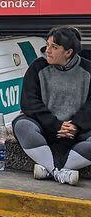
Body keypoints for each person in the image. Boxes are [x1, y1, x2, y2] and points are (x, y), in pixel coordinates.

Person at [13, 27, 91, 186]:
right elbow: (29, 103)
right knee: (22, 125)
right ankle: (60, 173)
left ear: (68, 52)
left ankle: (49, 168)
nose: (47, 51)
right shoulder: (37, 67)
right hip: (45, 129)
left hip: (77, 133)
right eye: (47, 45)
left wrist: (75, 125)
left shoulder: (88, 70)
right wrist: (56, 125)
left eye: (54, 47)